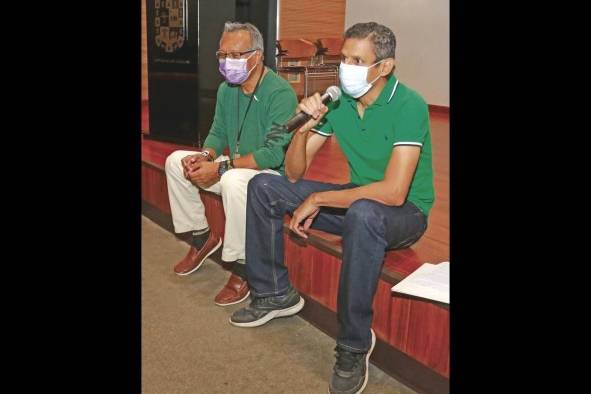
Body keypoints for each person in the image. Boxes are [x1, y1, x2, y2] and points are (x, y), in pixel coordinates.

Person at [230, 22, 435, 394]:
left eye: (358, 60)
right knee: (264, 186)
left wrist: (320, 198)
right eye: (344, 58)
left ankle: (354, 344)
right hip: (358, 199)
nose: (347, 68)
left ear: (384, 67)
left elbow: (392, 193)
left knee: (364, 212)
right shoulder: (337, 103)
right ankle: (273, 293)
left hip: (403, 215)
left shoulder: (409, 105)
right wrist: (305, 129)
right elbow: (293, 174)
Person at [164, 21, 297, 306]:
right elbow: (218, 132)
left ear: (257, 56)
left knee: (233, 179)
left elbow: (274, 153)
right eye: (222, 55)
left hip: (269, 177)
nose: (227, 62)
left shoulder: (280, 93)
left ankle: (243, 264)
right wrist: (206, 156)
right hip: (236, 166)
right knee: (176, 161)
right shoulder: (228, 89)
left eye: (235, 55)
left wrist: (222, 168)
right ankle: (201, 236)